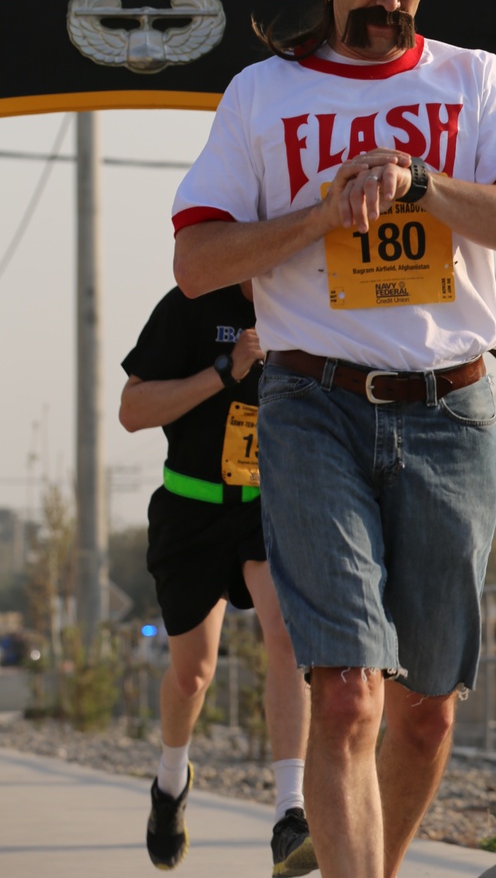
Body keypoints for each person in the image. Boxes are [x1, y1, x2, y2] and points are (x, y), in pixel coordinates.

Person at [171, 0, 496, 878]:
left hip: (451, 410)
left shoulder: (473, 83)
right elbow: (197, 264)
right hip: (311, 408)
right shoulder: (264, 95)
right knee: (348, 693)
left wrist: (426, 184)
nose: (391, 3)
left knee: (427, 710)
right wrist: (318, 210)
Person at [120, 283, 314, 876]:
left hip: (269, 505)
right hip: (192, 509)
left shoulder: (312, 301)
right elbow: (132, 411)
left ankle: (290, 813)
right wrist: (225, 371)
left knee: (286, 637)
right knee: (193, 674)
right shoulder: (190, 305)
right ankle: (170, 782)